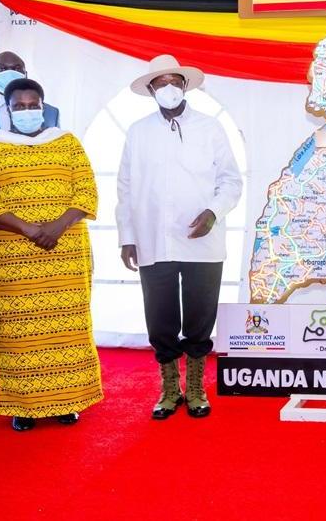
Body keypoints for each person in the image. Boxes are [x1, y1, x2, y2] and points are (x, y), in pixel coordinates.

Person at [0, 78, 102, 431]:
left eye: (33, 104)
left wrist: (57, 226)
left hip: (64, 252)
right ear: (8, 109)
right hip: (11, 258)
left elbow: (86, 190)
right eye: (20, 105)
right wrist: (28, 229)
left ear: (43, 106)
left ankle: (67, 400)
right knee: (18, 332)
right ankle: (23, 405)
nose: (27, 110)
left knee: (65, 329)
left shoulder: (66, 142)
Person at [117, 55, 243, 420]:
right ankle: (169, 389)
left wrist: (213, 212)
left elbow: (231, 180)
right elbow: (125, 187)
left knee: (201, 314)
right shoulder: (138, 132)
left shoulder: (210, 128)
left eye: (175, 81)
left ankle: (197, 387)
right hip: (153, 238)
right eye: (161, 82)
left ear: (185, 86)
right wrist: (127, 235)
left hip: (202, 239)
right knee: (161, 316)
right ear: (151, 90)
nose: (169, 88)